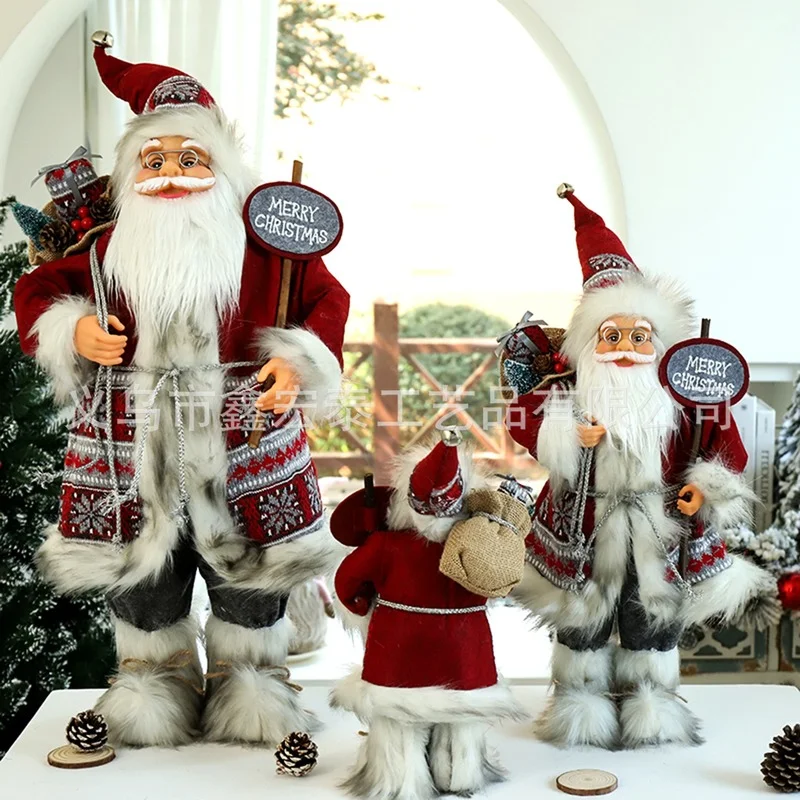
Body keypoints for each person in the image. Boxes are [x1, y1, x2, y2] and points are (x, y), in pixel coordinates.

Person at [13, 31, 349, 747]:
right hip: (128, 447)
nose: (170, 174)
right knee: (142, 572)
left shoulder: (266, 249)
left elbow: (326, 300)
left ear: (221, 166)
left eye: (189, 159)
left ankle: (249, 678)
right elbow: (38, 292)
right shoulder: (105, 251)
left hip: (245, 439)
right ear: (131, 172)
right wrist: (75, 329)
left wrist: (296, 361)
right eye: (154, 160)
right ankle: (153, 678)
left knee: (251, 568)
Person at [503, 184, 777, 749]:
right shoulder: (568, 390)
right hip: (583, 529)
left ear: (658, 341)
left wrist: (703, 489)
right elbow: (521, 418)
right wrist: (568, 431)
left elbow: (724, 445)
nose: (625, 348)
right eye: (611, 337)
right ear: (589, 343)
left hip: (660, 528)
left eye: (637, 337)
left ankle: (651, 702)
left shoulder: (682, 395)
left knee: (651, 614)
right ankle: (579, 702)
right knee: (582, 614)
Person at [331, 432, 524, 799]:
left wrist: (361, 605)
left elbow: (346, 583)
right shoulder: (478, 548)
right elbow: (500, 584)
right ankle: (460, 771)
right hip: (466, 652)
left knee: (398, 721)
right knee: (461, 720)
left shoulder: (385, 545)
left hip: (398, 655)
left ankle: (397, 779)